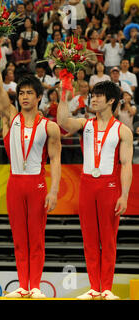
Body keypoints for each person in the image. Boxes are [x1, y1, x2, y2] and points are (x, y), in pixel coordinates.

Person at [0, 45, 62, 299]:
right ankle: (22, 284)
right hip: (14, 183)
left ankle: (34, 285)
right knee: (19, 238)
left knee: (36, 239)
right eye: (21, 93)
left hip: (37, 184)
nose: (25, 97)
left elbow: (56, 160)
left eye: (30, 93)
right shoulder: (10, 117)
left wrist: (53, 192)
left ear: (39, 97)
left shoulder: (49, 127)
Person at [57, 80, 133, 300]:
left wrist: (124, 195)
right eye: (93, 95)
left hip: (109, 186)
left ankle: (106, 288)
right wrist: (64, 93)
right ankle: (94, 287)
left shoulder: (123, 131)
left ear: (111, 101)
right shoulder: (85, 124)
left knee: (108, 239)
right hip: (87, 185)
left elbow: (126, 164)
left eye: (99, 96)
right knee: (89, 239)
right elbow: (62, 122)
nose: (94, 99)